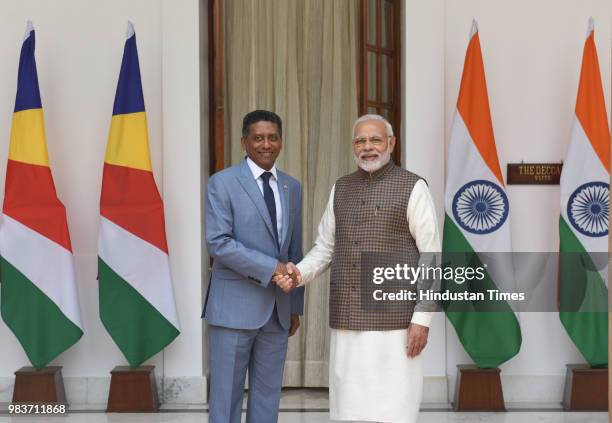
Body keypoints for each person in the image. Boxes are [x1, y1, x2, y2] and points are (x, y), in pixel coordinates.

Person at [276, 114, 440, 423]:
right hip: (347, 318)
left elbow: (431, 256)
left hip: (396, 323)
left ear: (391, 143)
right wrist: (297, 273)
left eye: (375, 140)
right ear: (353, 146)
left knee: (393, 405)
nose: (368, 147)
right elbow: (325, 247)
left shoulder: (413, 187)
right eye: (361, 141)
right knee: (348, 406)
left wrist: (422, 319)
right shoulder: (341, 188)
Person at [203, 110, 304, 423]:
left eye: (273, 137)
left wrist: (295, 308)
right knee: (226, 399)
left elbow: (295, 250)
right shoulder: (222, 183)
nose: (266, 144)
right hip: (233, 311)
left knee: (267, 398)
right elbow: (218, 243)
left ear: (281, 141)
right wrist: (272, 267)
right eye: (258, 138)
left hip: (278, 312)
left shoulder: (291, 186)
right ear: (244, 141)